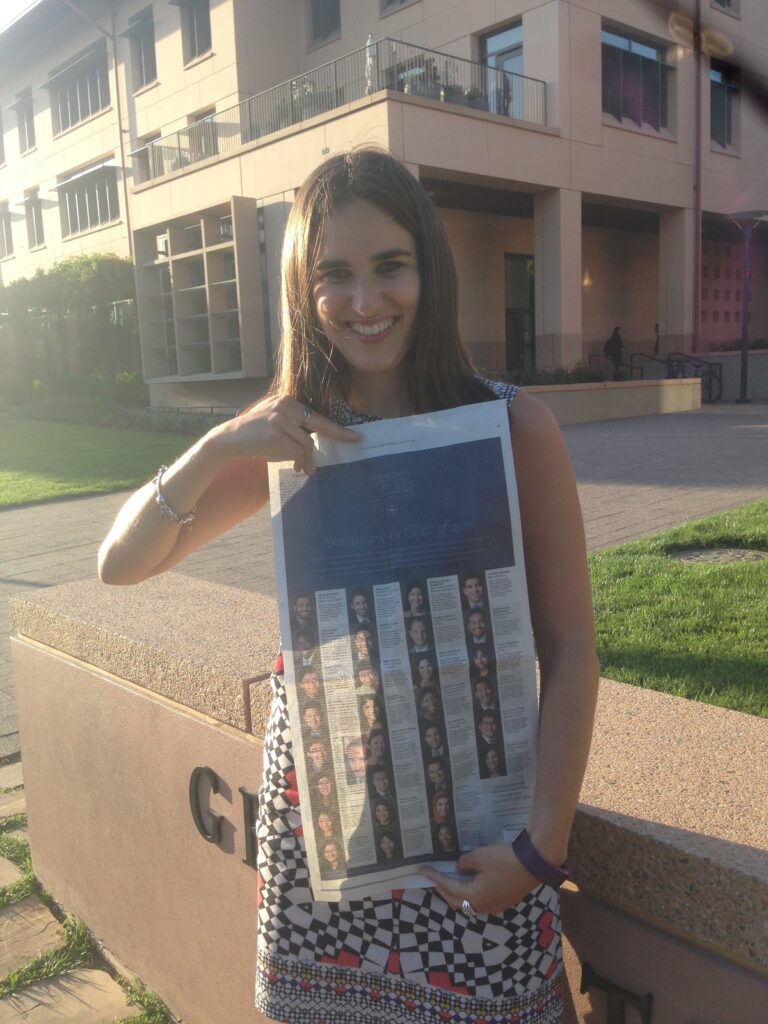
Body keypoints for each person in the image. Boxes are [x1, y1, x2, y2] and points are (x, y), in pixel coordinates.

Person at [98, 148, 598, 1024]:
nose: (364, 303)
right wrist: (221, 442)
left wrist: (542, 848)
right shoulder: (295, 439)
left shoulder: (514, 426)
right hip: (323, 831)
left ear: (427, 270)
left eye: (389, 266)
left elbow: (572, 651)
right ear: (304, 287)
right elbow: (121, 563)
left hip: (482, 834)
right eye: (334, 274)